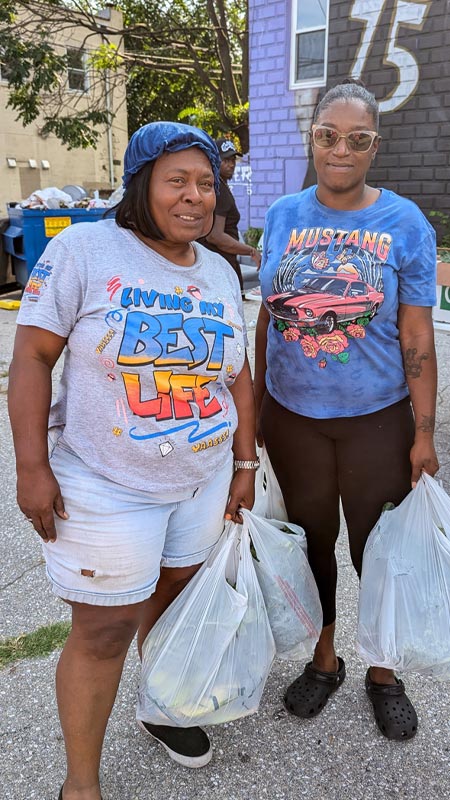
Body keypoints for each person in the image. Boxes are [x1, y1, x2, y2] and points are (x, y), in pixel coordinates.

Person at [8, 121, 259, 800]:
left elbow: (234, 376)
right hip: (106, 480)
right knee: (104, 627)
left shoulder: (215, 268)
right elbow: (31, 356)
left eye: (206, 183)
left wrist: (244, 466)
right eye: (177, 180)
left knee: (174, 601)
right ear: (141, 182)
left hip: (201, 479)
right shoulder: (84, 249)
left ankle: (160, 707)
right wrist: (31, 467)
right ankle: (80, 786)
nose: (195, 196)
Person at [254, 82, 439, 741]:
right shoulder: (279, 215)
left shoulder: (405, 223)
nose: (340, 149)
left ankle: (384, 671)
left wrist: (424, 433)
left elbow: (417, 335)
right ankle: (324, 657)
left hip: (377, 419)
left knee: (379, 549)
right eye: (328, 134)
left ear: (374, 146)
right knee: (311, 544)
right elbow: (266, 318)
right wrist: (256, 411)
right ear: (312, 135)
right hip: (293, 418)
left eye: (357, 139)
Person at [200, 137, 261, 292]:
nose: (231, 164)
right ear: (214, 160)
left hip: (216, 265)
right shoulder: (218, 190)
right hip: (221, 267)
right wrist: (251, 250)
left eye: (233, 159)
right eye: (225, 160)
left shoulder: (217, 187)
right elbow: (215, 236)